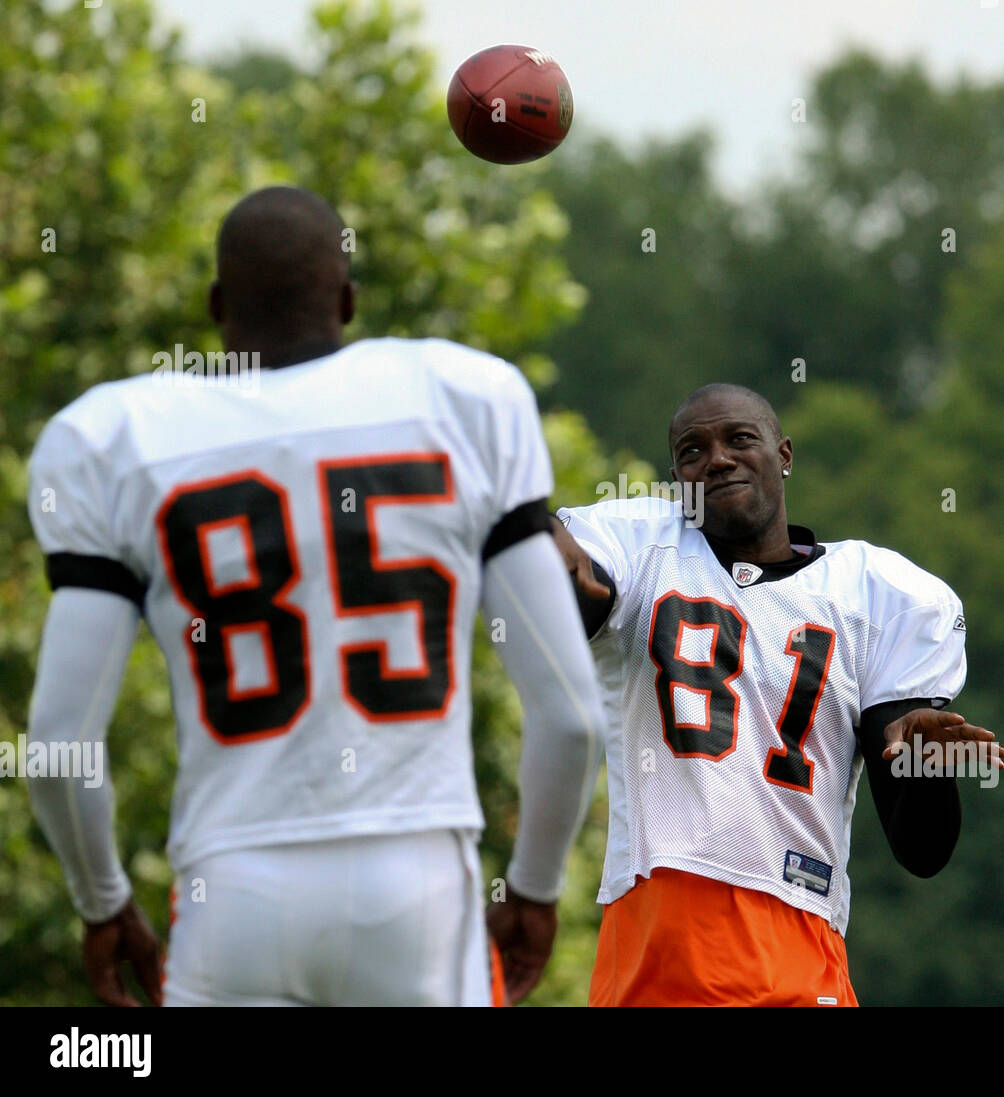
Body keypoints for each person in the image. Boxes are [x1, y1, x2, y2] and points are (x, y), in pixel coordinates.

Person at [25, 185, 605, 1006]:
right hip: (418, 877)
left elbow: (56, 744)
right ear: (347, 300)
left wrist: (102, 900)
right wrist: (536, 885)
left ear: (217, 307)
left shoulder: (114, 437)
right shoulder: (463, 399)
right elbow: (574, 716)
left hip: (232, 885)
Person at [551, 382, 1004, 1006]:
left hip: (799, 945)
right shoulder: (642, 544)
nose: (717, 459)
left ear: (784, 452)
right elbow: (567, 585)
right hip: (662, 943)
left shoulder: (875, 595)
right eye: (692, 451)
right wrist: (521, 524)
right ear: (676, 477)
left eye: (739, 439)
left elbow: (922, 851)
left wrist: (928, 765)